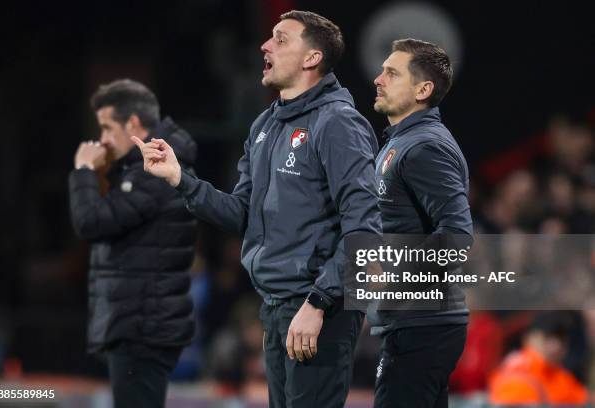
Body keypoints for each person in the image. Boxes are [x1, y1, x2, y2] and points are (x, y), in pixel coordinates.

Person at [132, 10, 382, 407]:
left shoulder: (337, 124)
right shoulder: (265, 126)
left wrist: (318, 303)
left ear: (311, 58)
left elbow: (366, 227)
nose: (265, 46)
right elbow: (241, 215)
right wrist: (181, 179)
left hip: (318, 308)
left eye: (281, 39)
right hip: (277, 308)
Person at [68, 79, 197, 408]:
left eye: (108, 128)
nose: (104, 140)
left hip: (142, 326)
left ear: (134, 124)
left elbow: (90, 223)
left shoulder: (153, 172)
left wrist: (83, 170)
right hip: (140, 323)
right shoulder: (140, 170)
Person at [368, 39, 473, 407]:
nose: (378, 79)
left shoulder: (424, 147)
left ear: (423, 89)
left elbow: (458, 235)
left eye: (392, 73)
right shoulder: (404, 142)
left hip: (423, 325)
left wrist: (391, 271)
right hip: (417, 322)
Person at [488, 311, 590, 405]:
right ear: (529, 338)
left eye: (561, 338)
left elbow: (583, 399)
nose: (556, 346)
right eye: (548, 337)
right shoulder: (518, 370)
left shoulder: (559, 375)